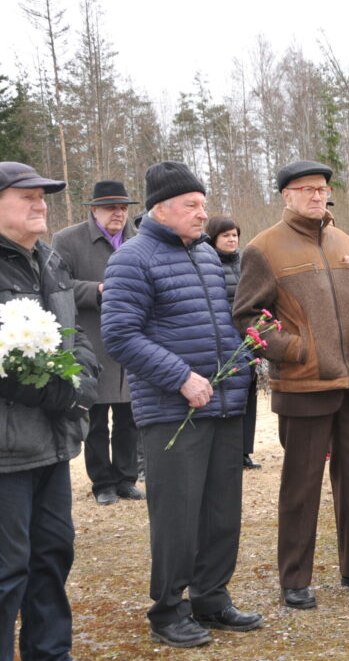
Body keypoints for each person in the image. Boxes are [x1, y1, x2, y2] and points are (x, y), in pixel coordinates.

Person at [102, 161, 262, 648]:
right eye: (192, 206)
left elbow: (220, 324)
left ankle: (211, 597)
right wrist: (181, 378)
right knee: (177, 515)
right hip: (174, 410)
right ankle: (168, 609)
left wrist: (248, 353)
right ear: (160, 209)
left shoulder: (209, 257)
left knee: (221, 510)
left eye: (204, 205)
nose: (202, 214)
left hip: (224, 404)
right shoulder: (132, 259)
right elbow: (119, 334)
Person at [233, 160, 349, 611]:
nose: (317, 196)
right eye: (306, 189)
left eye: (322, 188)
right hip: (304, 386)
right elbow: (247, 319)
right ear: (286, 195)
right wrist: (297, 350)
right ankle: (295, 578)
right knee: (301, 488)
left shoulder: (345, 241)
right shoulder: (264, 249)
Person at [0, 161, 98, 661]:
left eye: (44, 196)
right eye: (27, 197)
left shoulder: (50, 259)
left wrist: (80, 380)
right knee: (6, 570)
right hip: (6, 450)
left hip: (54, 443)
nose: (41, 204)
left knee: (52, 557)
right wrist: (54, 392)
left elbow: (74, 335)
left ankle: (50, 653)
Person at [51, 180, 144, 505]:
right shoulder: (67, 240)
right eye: (111, 207)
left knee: (130, 417)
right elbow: (58, 286)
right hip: (92, 339)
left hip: (134, 340)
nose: (119, 213)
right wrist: (99, 290)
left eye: (123, 207)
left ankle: (126, 479)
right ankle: (102, 483)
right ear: (94, 210)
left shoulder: (140, 238)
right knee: (96, 417)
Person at [205, 215, 261, 469]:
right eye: (226, 235)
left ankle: (244, 451)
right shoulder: (207, 263)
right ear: (214, 238)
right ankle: (226, 452)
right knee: (226, 396)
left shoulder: (245, 263)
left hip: (248, 340)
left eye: (235, 235)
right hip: (223, 341)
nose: (232, 239)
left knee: (249, 396)